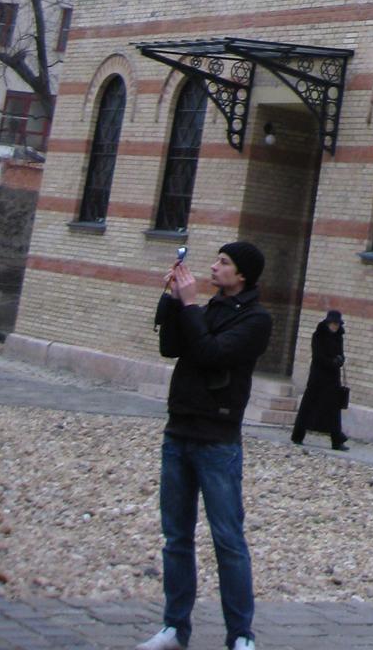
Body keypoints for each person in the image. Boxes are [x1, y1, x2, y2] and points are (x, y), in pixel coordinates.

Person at [138, 241, 273, 650]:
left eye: (224, 262)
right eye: (216, 260)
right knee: (176, 537)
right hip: (179, 432)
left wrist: (192, 307)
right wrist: (172, 301)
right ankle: (175, 627)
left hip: (217, 439)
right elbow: (173, 347)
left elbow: (213, 354)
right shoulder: (207, 308)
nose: (214, 267)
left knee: (228, 540)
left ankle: (241, 634)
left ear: (243, 275)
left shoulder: (257, 319)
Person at [290, 309, 348, 451]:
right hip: (318, 377)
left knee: (334, 410)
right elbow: (317, 356)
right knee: (308, 405)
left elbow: (341, 354)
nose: (334, 327)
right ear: (328, 323)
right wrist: (332, 362)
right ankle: (298, 435)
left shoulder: (339, 336)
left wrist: (340, 360)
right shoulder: (318, 335)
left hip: (333, 378)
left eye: (337, 324)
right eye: (333, 324)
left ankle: (336, 440)